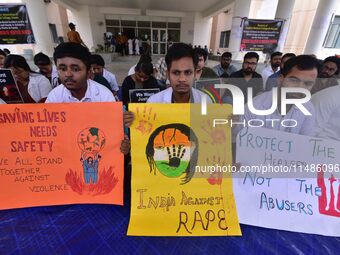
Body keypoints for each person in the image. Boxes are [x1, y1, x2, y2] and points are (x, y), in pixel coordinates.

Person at [45, 42, 130, 155]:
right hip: (66, 155)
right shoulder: (54, 97)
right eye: (62, 68)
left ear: (89, 72)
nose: (68, 74)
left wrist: (122, 144)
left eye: (75, 69)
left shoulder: (104, 95)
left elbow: (113, 134)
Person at [233, 55, 320, 138]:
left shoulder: (308, 108)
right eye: (294, 80)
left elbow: (306, 142)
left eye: (308, 83)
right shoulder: (254, 106)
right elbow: (238, 137)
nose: (300, 88)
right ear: (280, 79)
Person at [146, 43, 211, 104]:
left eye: (188, 72)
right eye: (176, 73)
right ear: (168, 74)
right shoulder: (154, 103)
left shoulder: (204, 102)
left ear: (195, 74)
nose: (182, 79)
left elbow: (204, 115)